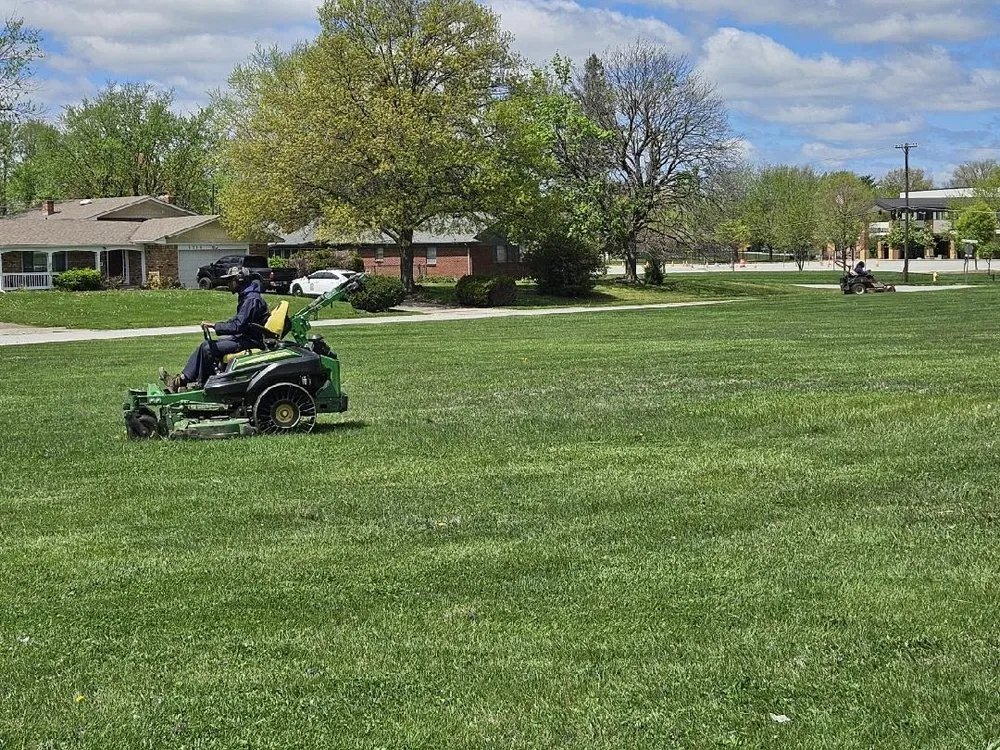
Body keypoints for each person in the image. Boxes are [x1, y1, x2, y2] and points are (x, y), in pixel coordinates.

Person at [159, 266, 270, 391]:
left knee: (207, 347)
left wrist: (215, 326)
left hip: (251, 341)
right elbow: (237, 321)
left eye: (230, 280)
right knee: (206, 346)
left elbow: (238, 325)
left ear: (240, 280)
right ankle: (186, 381)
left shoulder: (251, 300)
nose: (228, 283)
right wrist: (217, 324)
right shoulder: (248, 297)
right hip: (245, 338)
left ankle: (188, 382)